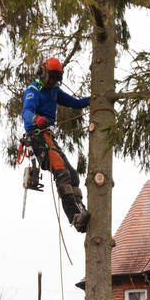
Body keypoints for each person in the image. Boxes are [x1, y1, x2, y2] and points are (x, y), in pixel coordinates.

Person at [21, 57, 91, 232]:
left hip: (48, 137)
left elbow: (75, 103)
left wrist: (94, 99)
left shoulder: (55, 91)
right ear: (43, 72)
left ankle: (79, 210)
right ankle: (74, 217)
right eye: (50, 77)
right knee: (61, 172)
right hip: (37, 136)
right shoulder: (34, 89)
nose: (52, 81)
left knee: (73, 175)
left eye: (55, 78)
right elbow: (26, 111)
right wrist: (36, 119)